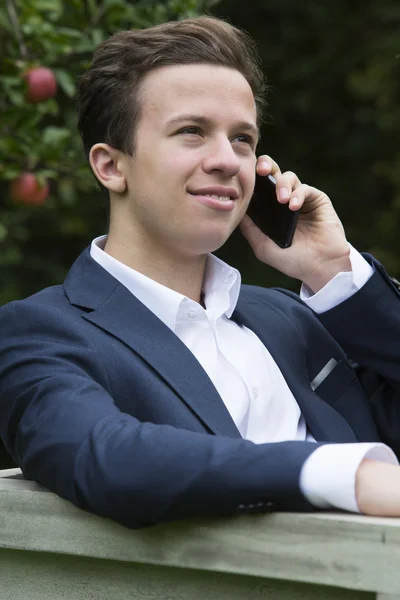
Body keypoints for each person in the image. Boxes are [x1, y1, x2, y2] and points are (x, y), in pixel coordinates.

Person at [1, 16, 400, 530]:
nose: (226, 160)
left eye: (242, 139)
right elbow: (105, 456)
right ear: (110, 166)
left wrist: (334, 273)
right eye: (192, 132)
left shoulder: (291, 317)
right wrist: (348, 475)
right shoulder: (39, 331)